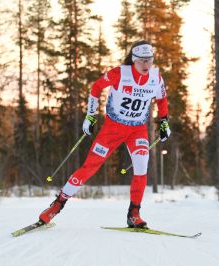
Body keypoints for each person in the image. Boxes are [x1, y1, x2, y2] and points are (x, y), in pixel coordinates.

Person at [39, 40, 171, 228]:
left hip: (137, 129)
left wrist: (164, 122)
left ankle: (134, 213)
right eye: (142, 60)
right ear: (134, 60)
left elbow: (162, 100)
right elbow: (96, 87)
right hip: (113, 129)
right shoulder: (119, 73)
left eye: (149, 60)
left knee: (142, 166)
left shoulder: (156, 78)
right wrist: (90, 116)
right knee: (90, 167)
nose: (146, 64)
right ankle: (58, 204)